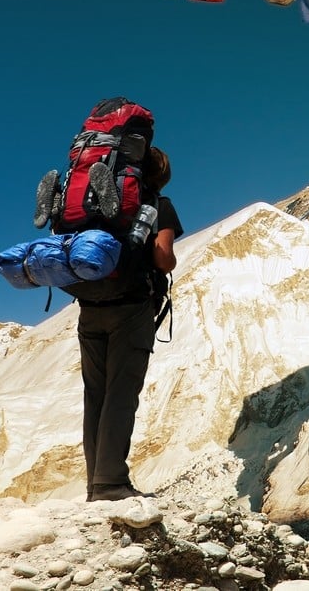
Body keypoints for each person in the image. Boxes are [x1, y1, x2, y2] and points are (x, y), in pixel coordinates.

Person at [81, 146, 183, 502]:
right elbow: (163, 257)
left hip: (90, 304)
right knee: (121, 394)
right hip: (132, 307)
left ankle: (97, 484)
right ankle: (110, 483)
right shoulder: (159, 204)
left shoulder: (97, 206)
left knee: (95, 395)